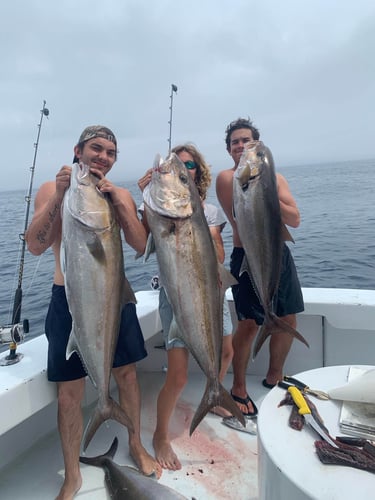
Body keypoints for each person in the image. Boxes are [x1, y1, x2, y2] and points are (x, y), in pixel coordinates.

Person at [25, 126, 162, 500]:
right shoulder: (55, 190)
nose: (103, 156)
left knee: (128, 376)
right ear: (78, 150)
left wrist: (120, 199)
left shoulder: (114, 193)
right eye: (96, 148)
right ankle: (72, 474)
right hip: (69, 299)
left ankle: (135, 444)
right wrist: (59, 195)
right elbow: (35, 245)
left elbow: (139, 244)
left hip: (114, 295)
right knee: (69, 394)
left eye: (110, 152)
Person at [138, 143, 233, 471]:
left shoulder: (209, 212)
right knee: (177, 376)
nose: (183, 169)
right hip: (177, 295)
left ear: (198, 173)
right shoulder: (155, 206)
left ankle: (215, 393)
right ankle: (161, 435)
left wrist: (205, 237)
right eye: (180, 168)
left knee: (226, 352)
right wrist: (146, 203)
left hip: (211, 291)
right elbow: (143, 243)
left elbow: (219, 257)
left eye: (187, 166)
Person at [216, 117, 304, 417]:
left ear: (258, 145)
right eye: (235, 143)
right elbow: (240, 213)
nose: (240, 146)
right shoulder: (228, 178)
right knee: (249, 323)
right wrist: (260, 183)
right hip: (247, 257)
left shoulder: (275, 179)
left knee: (288, 318)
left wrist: (266, 187)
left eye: (247, 141)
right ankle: (238, 387)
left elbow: (294, 219)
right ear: (229, 150)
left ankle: (274, 375)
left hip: (278, 254)